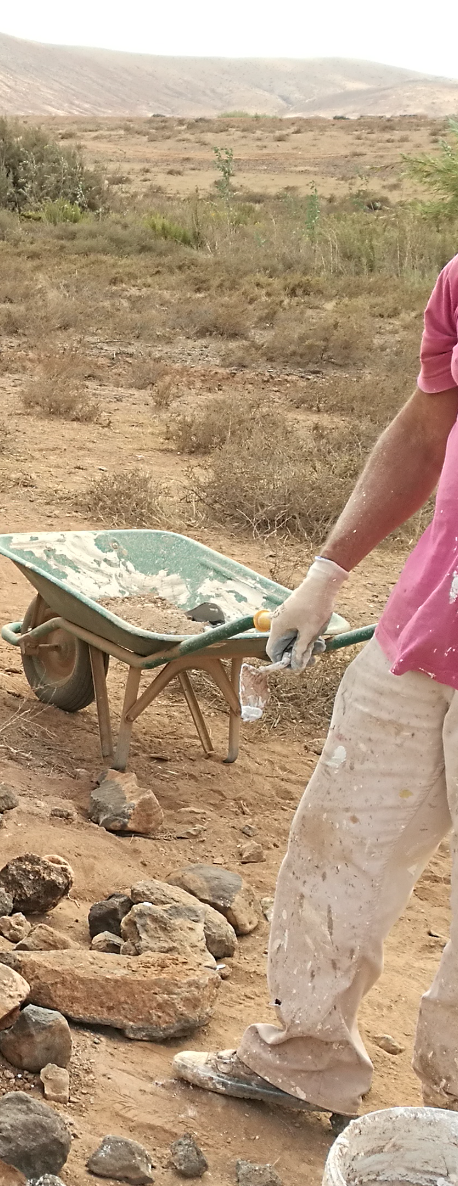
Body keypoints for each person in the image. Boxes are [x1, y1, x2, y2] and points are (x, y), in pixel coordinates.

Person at [175, 254, 458, 1118]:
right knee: (337, 846)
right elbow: (424, 429)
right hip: (421, 635)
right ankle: (302, 1058)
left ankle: (447, 1112)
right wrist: (329, 569)